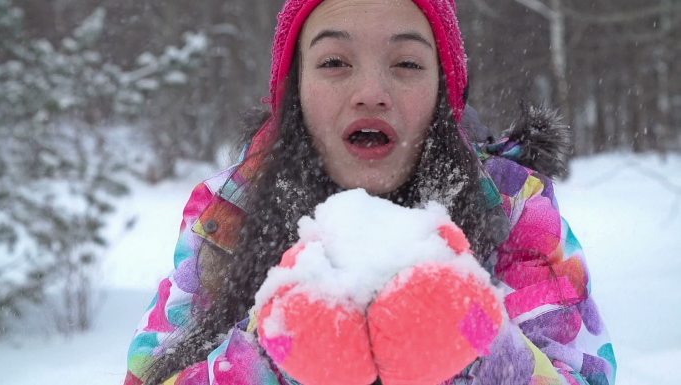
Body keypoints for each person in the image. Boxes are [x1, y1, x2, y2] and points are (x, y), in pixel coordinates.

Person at [123, 0, 617, 384]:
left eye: (406, 63)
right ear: (295, 89)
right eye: (335, 61)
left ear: (442, 91)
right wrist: (283, 358)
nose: (371, 91)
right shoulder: (232, 207)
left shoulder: (512, 204)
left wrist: (467, 345)